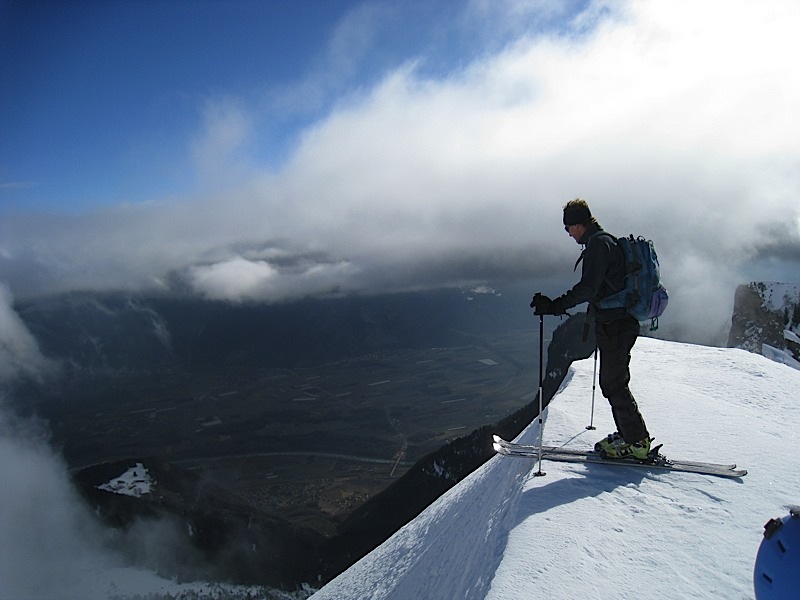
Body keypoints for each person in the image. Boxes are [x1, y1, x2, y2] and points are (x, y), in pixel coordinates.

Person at [531, 198, 651, 459]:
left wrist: (555, 305)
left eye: (568, 228)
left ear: (577, 224)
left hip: (615, 324)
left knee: (614, 383)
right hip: (617, 322)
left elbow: (589, 288)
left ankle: (638, 441)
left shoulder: (598, 245)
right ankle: (629, 434)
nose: (568, 234)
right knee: (612, 382)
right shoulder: (604, 241)